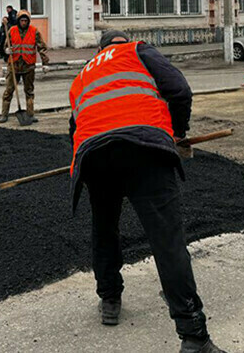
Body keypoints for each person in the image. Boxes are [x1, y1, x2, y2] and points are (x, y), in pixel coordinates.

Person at [67, 31, 226, 353]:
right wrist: (177, 134)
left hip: (94, 158)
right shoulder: (136, 50)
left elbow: (74, 129)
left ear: (99, 50)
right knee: (167, 241)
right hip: (144, 150)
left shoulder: (82, 75)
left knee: (104, 229)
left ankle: (109, 299)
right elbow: (179, 90)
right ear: (123, 42)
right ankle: (193, 335)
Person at [0, 9, 49, 123]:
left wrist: (45, 63)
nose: (23, 23)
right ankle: (4, 115)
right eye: (21, 20)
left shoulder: (34, 31)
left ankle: (30, 114)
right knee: (8, 91)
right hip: (14, 66)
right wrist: (6, 50)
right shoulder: (12, 30)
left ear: (28, 21)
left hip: (28, 66)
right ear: (18, 21)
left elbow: (42, 47)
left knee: (29, 91)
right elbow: (6, 45)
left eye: (25, 21)